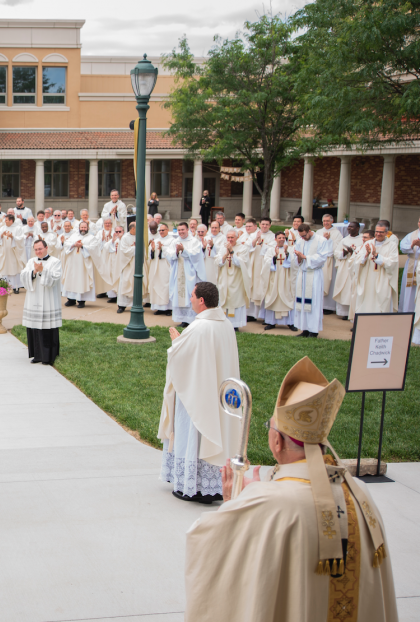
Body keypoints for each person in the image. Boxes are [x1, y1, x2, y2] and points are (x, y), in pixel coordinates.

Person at [184, 357, 397, 622]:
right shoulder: (361, 494)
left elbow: (204, 541)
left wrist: (232, 502)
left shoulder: (269, 503)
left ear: (277, 441)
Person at [158, 281, 239, 503]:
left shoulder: (199, 327)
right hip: (218, 394)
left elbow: (184, 359)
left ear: (201, 301)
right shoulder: (225, 324)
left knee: (194, 432)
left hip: (198, 394)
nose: (190, 299)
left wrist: (176, 344)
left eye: (192, 296)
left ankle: (192, 485)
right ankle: (210, 487)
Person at [21, 239, 63, 365]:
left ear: (46, 248)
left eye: (40, 249)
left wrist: (43, 270)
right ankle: (37, 355)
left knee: (47, 326)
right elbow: (23, 276)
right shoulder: (30, 262)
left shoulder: (55, 262)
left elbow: (55, 278)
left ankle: (48, 356)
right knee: (34, 327)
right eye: (36, 249)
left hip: (48, 299)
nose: (38, 251)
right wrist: (33, 272)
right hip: (34, 298)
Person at [290, 222, 332, 338]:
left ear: (309, 231)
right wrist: (298, 256)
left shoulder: (321, 240)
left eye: (304, 235)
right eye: (301, 236)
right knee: (302, 302)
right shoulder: (300, 240)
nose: (303, 238)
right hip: (302, 274)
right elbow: (296, 257)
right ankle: (304, 329)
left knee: (313, 302)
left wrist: (305, 257)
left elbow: (323, 257)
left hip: (314, 275)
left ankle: (313, 330)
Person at [164, 222, 206, 327]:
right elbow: (168, 255)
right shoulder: (175, 241)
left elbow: (196, 255)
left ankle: (191, 318)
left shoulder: (194, 242)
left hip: (190, 273)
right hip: (178, 272)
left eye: (183, 229)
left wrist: (183, 250)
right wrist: (176, 252)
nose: (181, 232)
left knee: (189, 294)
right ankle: (183, 319)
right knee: (180, 295)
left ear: (187, 230)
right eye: (179, 230)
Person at [353, 219, 399, 314]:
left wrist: (377, 256)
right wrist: (366, 255)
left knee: (381, 303)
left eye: (381, 232)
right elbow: (357, 261)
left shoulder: (392, 246)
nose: (378, 234)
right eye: (376, 231)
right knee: (367, 302)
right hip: (368, 279)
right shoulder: (368, 243)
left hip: (383, 279)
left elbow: (393, 263)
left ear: (386, 233)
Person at [214, 230, 250, 330]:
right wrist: (225, 255)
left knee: (236, 299)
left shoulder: (243, 248)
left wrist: (232, 252)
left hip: (237, 279)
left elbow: (241, 263)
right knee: (223, 299)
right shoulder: (222, 247)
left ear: (237, 238)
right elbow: (218, 262)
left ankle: (235, 325)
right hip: (224, 278)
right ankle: (223, 323)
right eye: (228, 237)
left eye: (232, 237)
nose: (230, 239)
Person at [261, 232, 295, 330]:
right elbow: (266, 262)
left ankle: (290, 323)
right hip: (274, 278)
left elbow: (294, 263)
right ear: (275, 239)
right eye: (279, 237)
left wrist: (287, 254)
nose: (281, 239)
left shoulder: (290, 249)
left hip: (285, 278)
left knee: (287, 297)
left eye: (283, 237)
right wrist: (275, 257)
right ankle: (271, 322)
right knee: (272, 297)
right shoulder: (270, 250)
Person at [332, 221, 363, 320]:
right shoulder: (344, 240)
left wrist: (354, 251)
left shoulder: (362, 240)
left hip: (356, 268)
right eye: (348, 227)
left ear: (357, 228)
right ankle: (345, 312)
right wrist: (344, 252)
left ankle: (354, 311)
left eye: (351, 227)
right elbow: (336, 253)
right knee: (344, 289)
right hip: (345, 267)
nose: (349, 228)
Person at [62, 221, 96, 308]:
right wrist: (74, 244)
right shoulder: (74, 236)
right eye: (82, 227)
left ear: (88, 228)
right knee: (71, 280)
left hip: (83, 265)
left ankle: (81, 301)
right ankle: (71, 300)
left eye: (85, 228)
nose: (83, 229)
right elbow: (66, 244)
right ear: (79, 228)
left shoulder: (91, 238)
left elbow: (93, 248)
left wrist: (82, 246)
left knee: (82, 281)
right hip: (73, 264)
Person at [0, 214, 25, 293]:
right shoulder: (2, 228)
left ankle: (15, 287)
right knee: (5, 268)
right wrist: (1, 235)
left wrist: (12, 237)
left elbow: (21, 238)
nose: (5, 221)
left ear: (11, 220)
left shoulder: (18, 228)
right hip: (4, 252)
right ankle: (4, 286)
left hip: (13, 253)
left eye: (6, 220)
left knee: (14, 269)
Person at [148, 222, 173, 315]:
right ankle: (159, 308)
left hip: (165, 267)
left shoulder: (172, 241)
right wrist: (153, 250)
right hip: (155, 267)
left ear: (167, 230)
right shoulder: (156, 240)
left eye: (163, 230)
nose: (161, 232)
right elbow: (150, 255)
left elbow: (172, 253)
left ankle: (168, 308)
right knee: (156, 285)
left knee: (166, 285)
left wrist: (163, 249)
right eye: (160, 230)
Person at [400, 216, 420, 314]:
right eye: (419, 222)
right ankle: (407, 312)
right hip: (412, 264)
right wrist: (411, 246)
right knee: (409, 290)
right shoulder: (412, 235)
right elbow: (402, 246)